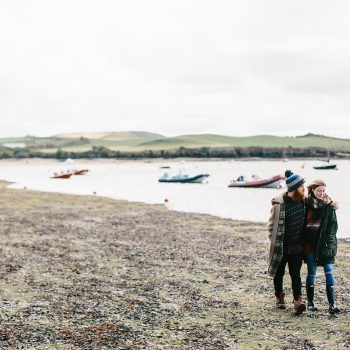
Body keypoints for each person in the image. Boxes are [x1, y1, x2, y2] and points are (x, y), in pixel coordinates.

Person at [267, 170, 306, 315]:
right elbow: (271, 225)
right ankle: (279, 297)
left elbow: (320, 200)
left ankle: (298, 300)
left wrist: (334, 204)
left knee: (295, 274)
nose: (304, 188)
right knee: (279, 272)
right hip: (281, 246)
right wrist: (273, 240)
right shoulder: (279, 205)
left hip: (297, 246)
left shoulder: (303, 201)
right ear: (295, 188)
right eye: (302, 186)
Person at [304, 179, 340, 314]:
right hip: (309, 244)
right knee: (311, 272)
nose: (322, 193)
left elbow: (333, 227)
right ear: (312, 190)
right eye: (319, 190)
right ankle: (310, 303)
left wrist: (329, 242)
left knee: (329, 270)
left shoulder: (329, 206)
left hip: (325, 244)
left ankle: (332, 304)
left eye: (324, 191)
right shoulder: (305, 204)